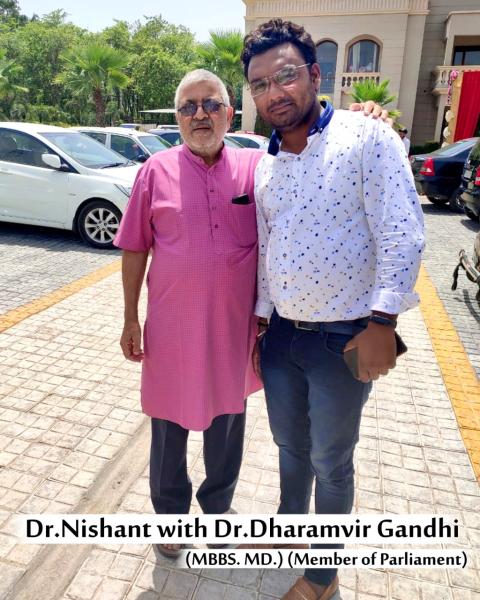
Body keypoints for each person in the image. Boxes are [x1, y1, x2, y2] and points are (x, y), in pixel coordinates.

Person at [114, 67, 389, 559]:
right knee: (168, 427)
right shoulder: (154, 171)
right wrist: (131, 317)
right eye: (189, 107)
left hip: (234, 330)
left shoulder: (258, 166)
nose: (200, 114)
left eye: (211, 104)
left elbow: (313, 156)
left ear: (229, 113)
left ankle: (217, 510)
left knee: (227, 425)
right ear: (178, 118)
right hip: (172, 330)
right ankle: (170, 519)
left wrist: (357, 121)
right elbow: (134, 246)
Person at [241, 19, 424, 600]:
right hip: (281, 338)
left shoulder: (366, 139)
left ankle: (322, 574)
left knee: (330, 458)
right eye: (260, 84)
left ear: (315, 74)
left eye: (286, 75)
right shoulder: (266, 164)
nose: (275, 92)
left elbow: (402, 232)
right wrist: (262, 318)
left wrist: (384, 321)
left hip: (343, 337)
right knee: (289, 446)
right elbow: (269, 246)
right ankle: (290, 527)